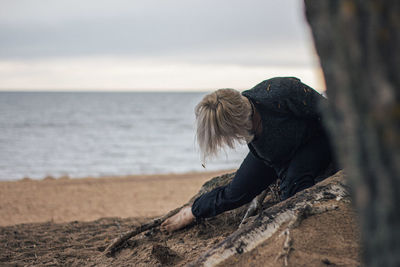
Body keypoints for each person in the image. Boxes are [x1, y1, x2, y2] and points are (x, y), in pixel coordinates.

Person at [161, 77, 337, 232]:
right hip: (278, 152)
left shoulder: (281, 92)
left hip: (317, 139)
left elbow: (332, 114)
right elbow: (275, 162)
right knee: (234, 194)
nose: (230, 139)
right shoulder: (257, 142)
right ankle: (191, 211)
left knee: (294, 186)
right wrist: (195, 210)